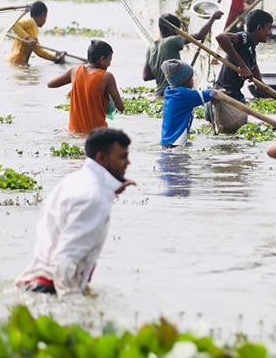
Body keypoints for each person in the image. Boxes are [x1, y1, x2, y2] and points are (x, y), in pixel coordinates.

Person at [15, 128, 135, 297]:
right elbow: (64, 261)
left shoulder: (74, 180)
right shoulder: (93, 197)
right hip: (50, 291)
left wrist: (111, 189)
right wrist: (74, 306)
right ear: (101, 158)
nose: (128, 162)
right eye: (122, 157)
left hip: (34, 284)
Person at [47, 39, 125, 133]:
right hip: (98, 133)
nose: (110, 64)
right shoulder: (107, 77)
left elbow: (50, 84)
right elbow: (120, 107)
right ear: (102, 59)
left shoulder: (74, 71)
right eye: (110, 59)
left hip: (74, 131)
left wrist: (74, 79)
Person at [142, 10, 223, 96]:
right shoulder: (171, 41)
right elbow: (200, 35)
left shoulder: (151, 47)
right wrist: (213, 18)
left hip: (159, 94)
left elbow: (146, 76)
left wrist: (162, 73)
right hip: (175, 92)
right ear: (172, 32)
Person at [214, 9, 274, 102]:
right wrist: (242, 66)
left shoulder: (251, 54)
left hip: (234, 95)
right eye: (269, 28)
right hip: (226, 94)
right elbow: (221, 37)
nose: (270, 33)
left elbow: (260, 87)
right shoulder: (245, 37)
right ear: (259, 28)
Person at [159, 59, 221, 146]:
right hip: (176, 144)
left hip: (166, 142)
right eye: (191, 78)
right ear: (184, 80)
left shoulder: (170, 92)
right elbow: (212, 94)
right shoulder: (184, 94)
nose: (193, 80)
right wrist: (221, 92)